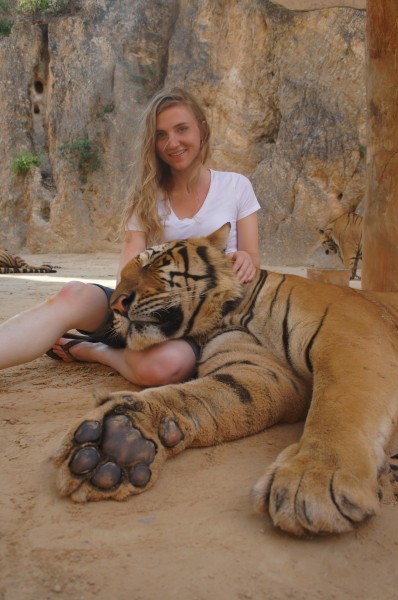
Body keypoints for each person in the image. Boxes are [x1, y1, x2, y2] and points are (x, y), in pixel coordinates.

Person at [0, 88, 260, 385]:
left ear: (202, 127)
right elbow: (129, 268)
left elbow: (252, 256)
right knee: (71, 295)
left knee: (162, 367)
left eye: (181, 129)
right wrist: (130, 309)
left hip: (202, 317)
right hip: (144, 304)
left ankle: (94, 351)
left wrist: (244, 258)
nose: (172, 142)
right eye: (161, 135)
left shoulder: (236, 187)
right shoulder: (147, 196)